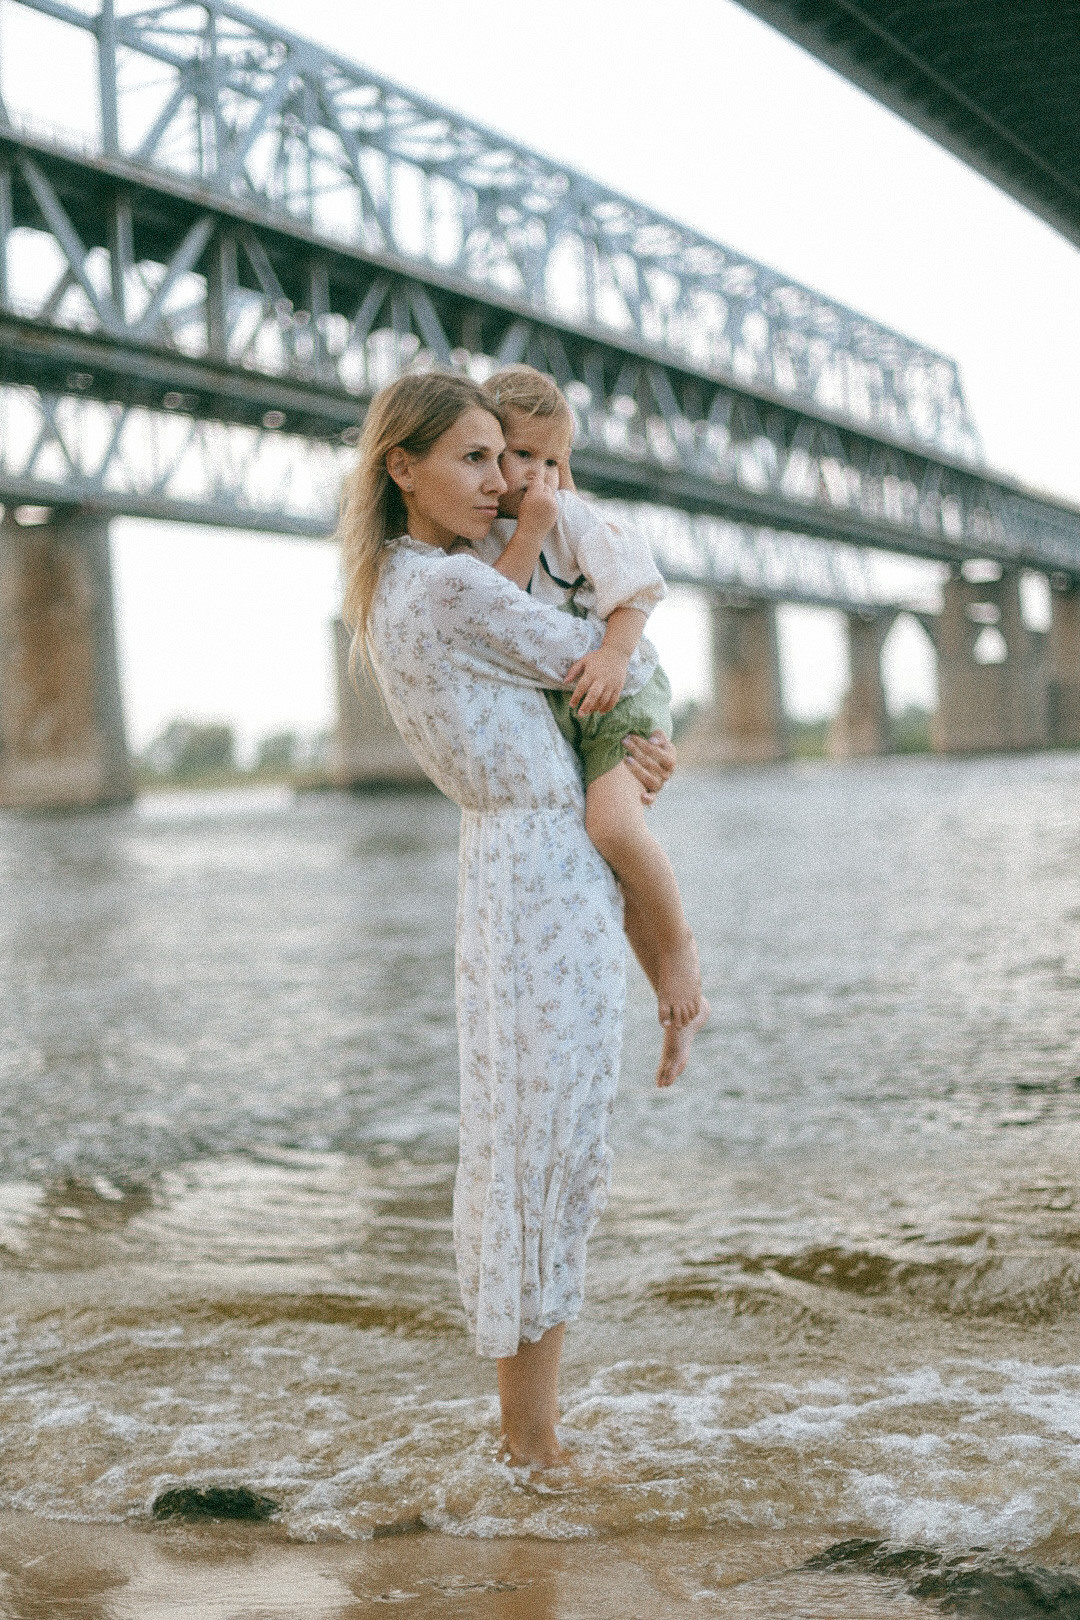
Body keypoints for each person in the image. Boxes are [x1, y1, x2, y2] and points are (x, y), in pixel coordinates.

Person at [338, 371, 699, 1469]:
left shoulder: (407, 583)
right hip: (542, 873)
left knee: (527, 1149)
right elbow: (597, 663)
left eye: (510, 458)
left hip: (515, 868)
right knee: (546, 1149)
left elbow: (574, 685)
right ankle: (531, 1447)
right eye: (475, 461)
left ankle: (529, 1438)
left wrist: (628, 751)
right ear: (399, 467)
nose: (503, 484)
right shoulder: (449, 591)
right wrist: (645, 743)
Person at [472, 365, 705, 1038]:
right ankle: (666, 985)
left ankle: (681, 948)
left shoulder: (575, 518)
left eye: (555, 461)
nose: (539, 476)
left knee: (611, 830)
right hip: (574, 708)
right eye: (524, 457)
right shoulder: (485, 534)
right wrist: (526, 530)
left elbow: (635, 589)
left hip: (626, 690)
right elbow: (497, 606)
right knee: (607, 852)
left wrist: (612, 653)